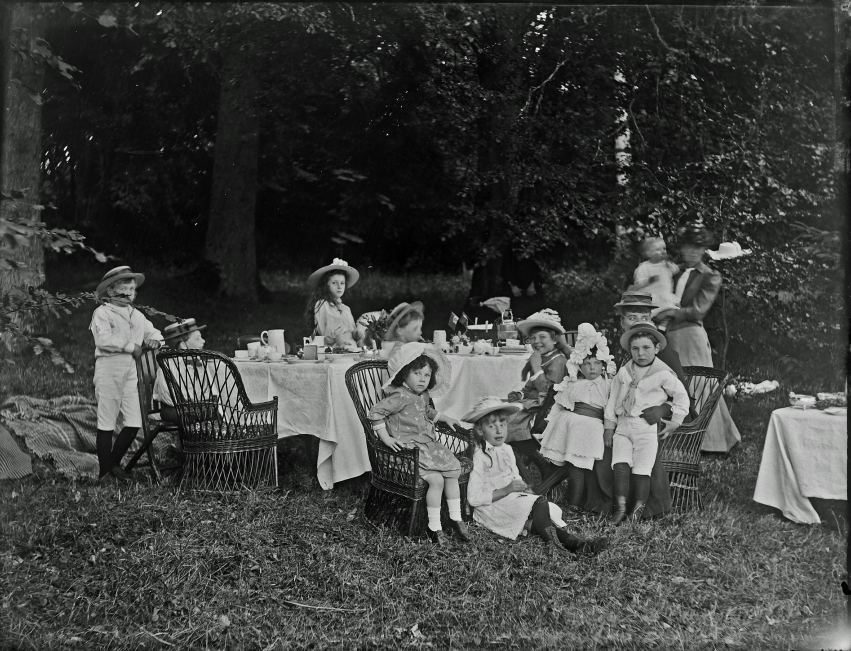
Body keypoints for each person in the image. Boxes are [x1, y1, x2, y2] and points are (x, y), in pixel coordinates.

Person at [464, 396, 609, 556]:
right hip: (492, 508)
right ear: (480, 430)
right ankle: (553, 545)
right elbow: (473, 498)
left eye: (503, 424)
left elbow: (514, 476)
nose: (499, 431)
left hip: (510, 501)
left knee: (541, 518)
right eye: (492, 426)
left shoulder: (506, 449)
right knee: (540, 503)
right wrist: (507, 490)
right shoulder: (480, 456)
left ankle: (579, 544)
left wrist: (522, 489)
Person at [652, 221, 741, 453]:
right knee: (675, 384)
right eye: (687, 247)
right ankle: (681, 437)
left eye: (697, 248)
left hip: (691, 335)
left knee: (701, 385)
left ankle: (715, 441)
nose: (691, 252)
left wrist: (669, 312)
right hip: (669, 335)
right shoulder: (673, 271)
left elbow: (698, 311)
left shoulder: (710, 276)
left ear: (704, 250)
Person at [368, 343, 467, 545]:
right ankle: (435, 527)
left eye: (427, 375)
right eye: (417, 373)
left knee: (452, 473)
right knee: (437, 480)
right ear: (404, 374)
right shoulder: (399, 395)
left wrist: (445, 417)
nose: (423, 379)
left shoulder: (423, 395)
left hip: (427, 447)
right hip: (407, 451)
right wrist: (386, 438)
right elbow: (375, 413)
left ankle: (456, 517)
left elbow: (426, 411)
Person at [604, 322, 689, 524]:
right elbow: (612, 399)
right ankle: (620, 508)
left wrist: (675, 421)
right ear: (630, 350)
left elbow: (681, 397)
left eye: (646, 348)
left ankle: (637, 511)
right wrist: (609, 427)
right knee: (620, 465)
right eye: (635, 348)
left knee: (642, 469)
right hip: (623, 425)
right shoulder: (624, 372)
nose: (640, 353)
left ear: (656, 348)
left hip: (645, 428)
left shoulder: (663, 373)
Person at [90, 266, 163, 483]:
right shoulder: (103, 313)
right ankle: (104, 472)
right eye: (123, 290)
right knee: (107, 420)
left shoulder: (137, 315)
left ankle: (114, 463)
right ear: (111, 292)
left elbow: (155, 333)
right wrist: (131, 346)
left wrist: (155, 340)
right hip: (109, 369)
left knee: (133, 421)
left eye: (132, 290)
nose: (129, 294)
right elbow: (103, 340)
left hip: (131, 371)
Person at [537, 324, 616, 514]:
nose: (592, 368)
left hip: (589, 430)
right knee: (556, 462)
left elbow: (611, 410)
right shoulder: (573, 383)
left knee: (577, 468)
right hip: (567, 425)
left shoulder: (608, 385)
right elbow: (559, 404)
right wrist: (549, 422)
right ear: (580, 366)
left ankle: (574, 503)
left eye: (596, 363)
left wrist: (609, 429)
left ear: (603, 365)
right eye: (587, 364)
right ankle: (543, 494)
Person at [504, 309, 569, 469]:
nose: (536, 341)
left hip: (546, 407)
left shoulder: (558, 361)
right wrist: (520, 394)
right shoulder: (542, 357)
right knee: (500, 411)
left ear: (555, 339)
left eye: (542, 337)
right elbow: (530, 386)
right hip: (533, 402)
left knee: (510, 421)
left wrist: (537, 368)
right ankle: (515, 457)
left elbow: (549, 392)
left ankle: (536, 458)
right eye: (533, 337)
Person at [152, 319, 210, 424]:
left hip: (195, 406)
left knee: (217, 412)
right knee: (189, 416)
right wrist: (194, 405)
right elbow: (169, 397)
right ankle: (193, 433)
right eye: (197, 339)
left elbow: (206, 389)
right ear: (183, 345)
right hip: (173, 408)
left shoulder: (199, 363)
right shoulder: (168, 367)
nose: (203, 341)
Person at [305, 258, 362, 349]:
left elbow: (350, 332)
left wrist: (356, 335)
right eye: (334, 283)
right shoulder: (323, 304)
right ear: (326, 285)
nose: (339, 286)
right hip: (334, 349)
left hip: (351, 348)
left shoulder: (346, 308)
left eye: (342, 283)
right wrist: (337, 338)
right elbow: (325, 334)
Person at [632, 236, 680, 332]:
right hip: (652, 297)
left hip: (665, 295)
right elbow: (638, 284)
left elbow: (675, 271)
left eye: (664, 248)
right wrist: (649, 281)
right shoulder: (644, 267)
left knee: (670, 311)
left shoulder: (666, 265)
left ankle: (662, 328)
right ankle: (651, 328)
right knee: (651, 315)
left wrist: (669, 264)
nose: (663, 251)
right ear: (649, 253)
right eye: (658, 249)